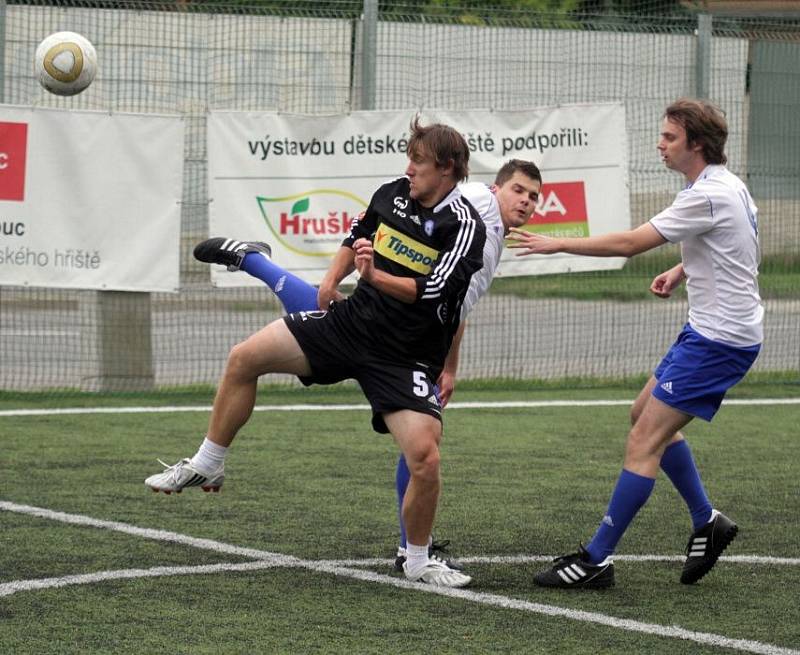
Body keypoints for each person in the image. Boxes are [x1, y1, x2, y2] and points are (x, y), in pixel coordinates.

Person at [145, 118, 487, 588]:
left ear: (446, 168)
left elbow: (429, 294)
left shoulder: (465, 226)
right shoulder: (393, 192)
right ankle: (209, 462)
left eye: (418, 161)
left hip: (404, 356)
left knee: (424, 458)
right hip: (349, 326)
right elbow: (357, 235)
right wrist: (331, 280)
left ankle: (418, 559)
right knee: (244, 357)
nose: (408, 168)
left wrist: (372, 277)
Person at [192, 159, 543, 574]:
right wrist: (367, 273)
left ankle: (410, 545)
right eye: (519, 190)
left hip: (414, 338)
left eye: (534, 196)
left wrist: (449, 366)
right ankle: (253, 261)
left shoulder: (493, 236)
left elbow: (454, 304)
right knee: (306, 324)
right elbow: (416, 230)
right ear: (495, 187)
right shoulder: (476, 203)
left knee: (421, 442)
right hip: (388, 324)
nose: (526, 201)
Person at [507, 98, 763, 589]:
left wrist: (557, 243)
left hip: (719, 340)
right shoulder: (725, 187)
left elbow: (629, 244)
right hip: (710, 330)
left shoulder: (706, 194)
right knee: (641, 415)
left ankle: (595, 560)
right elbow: (733, 246)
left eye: (669, 137)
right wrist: (682, 267)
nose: (660, 144)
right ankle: (706, 520)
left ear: (697, 144)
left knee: (643, 441)